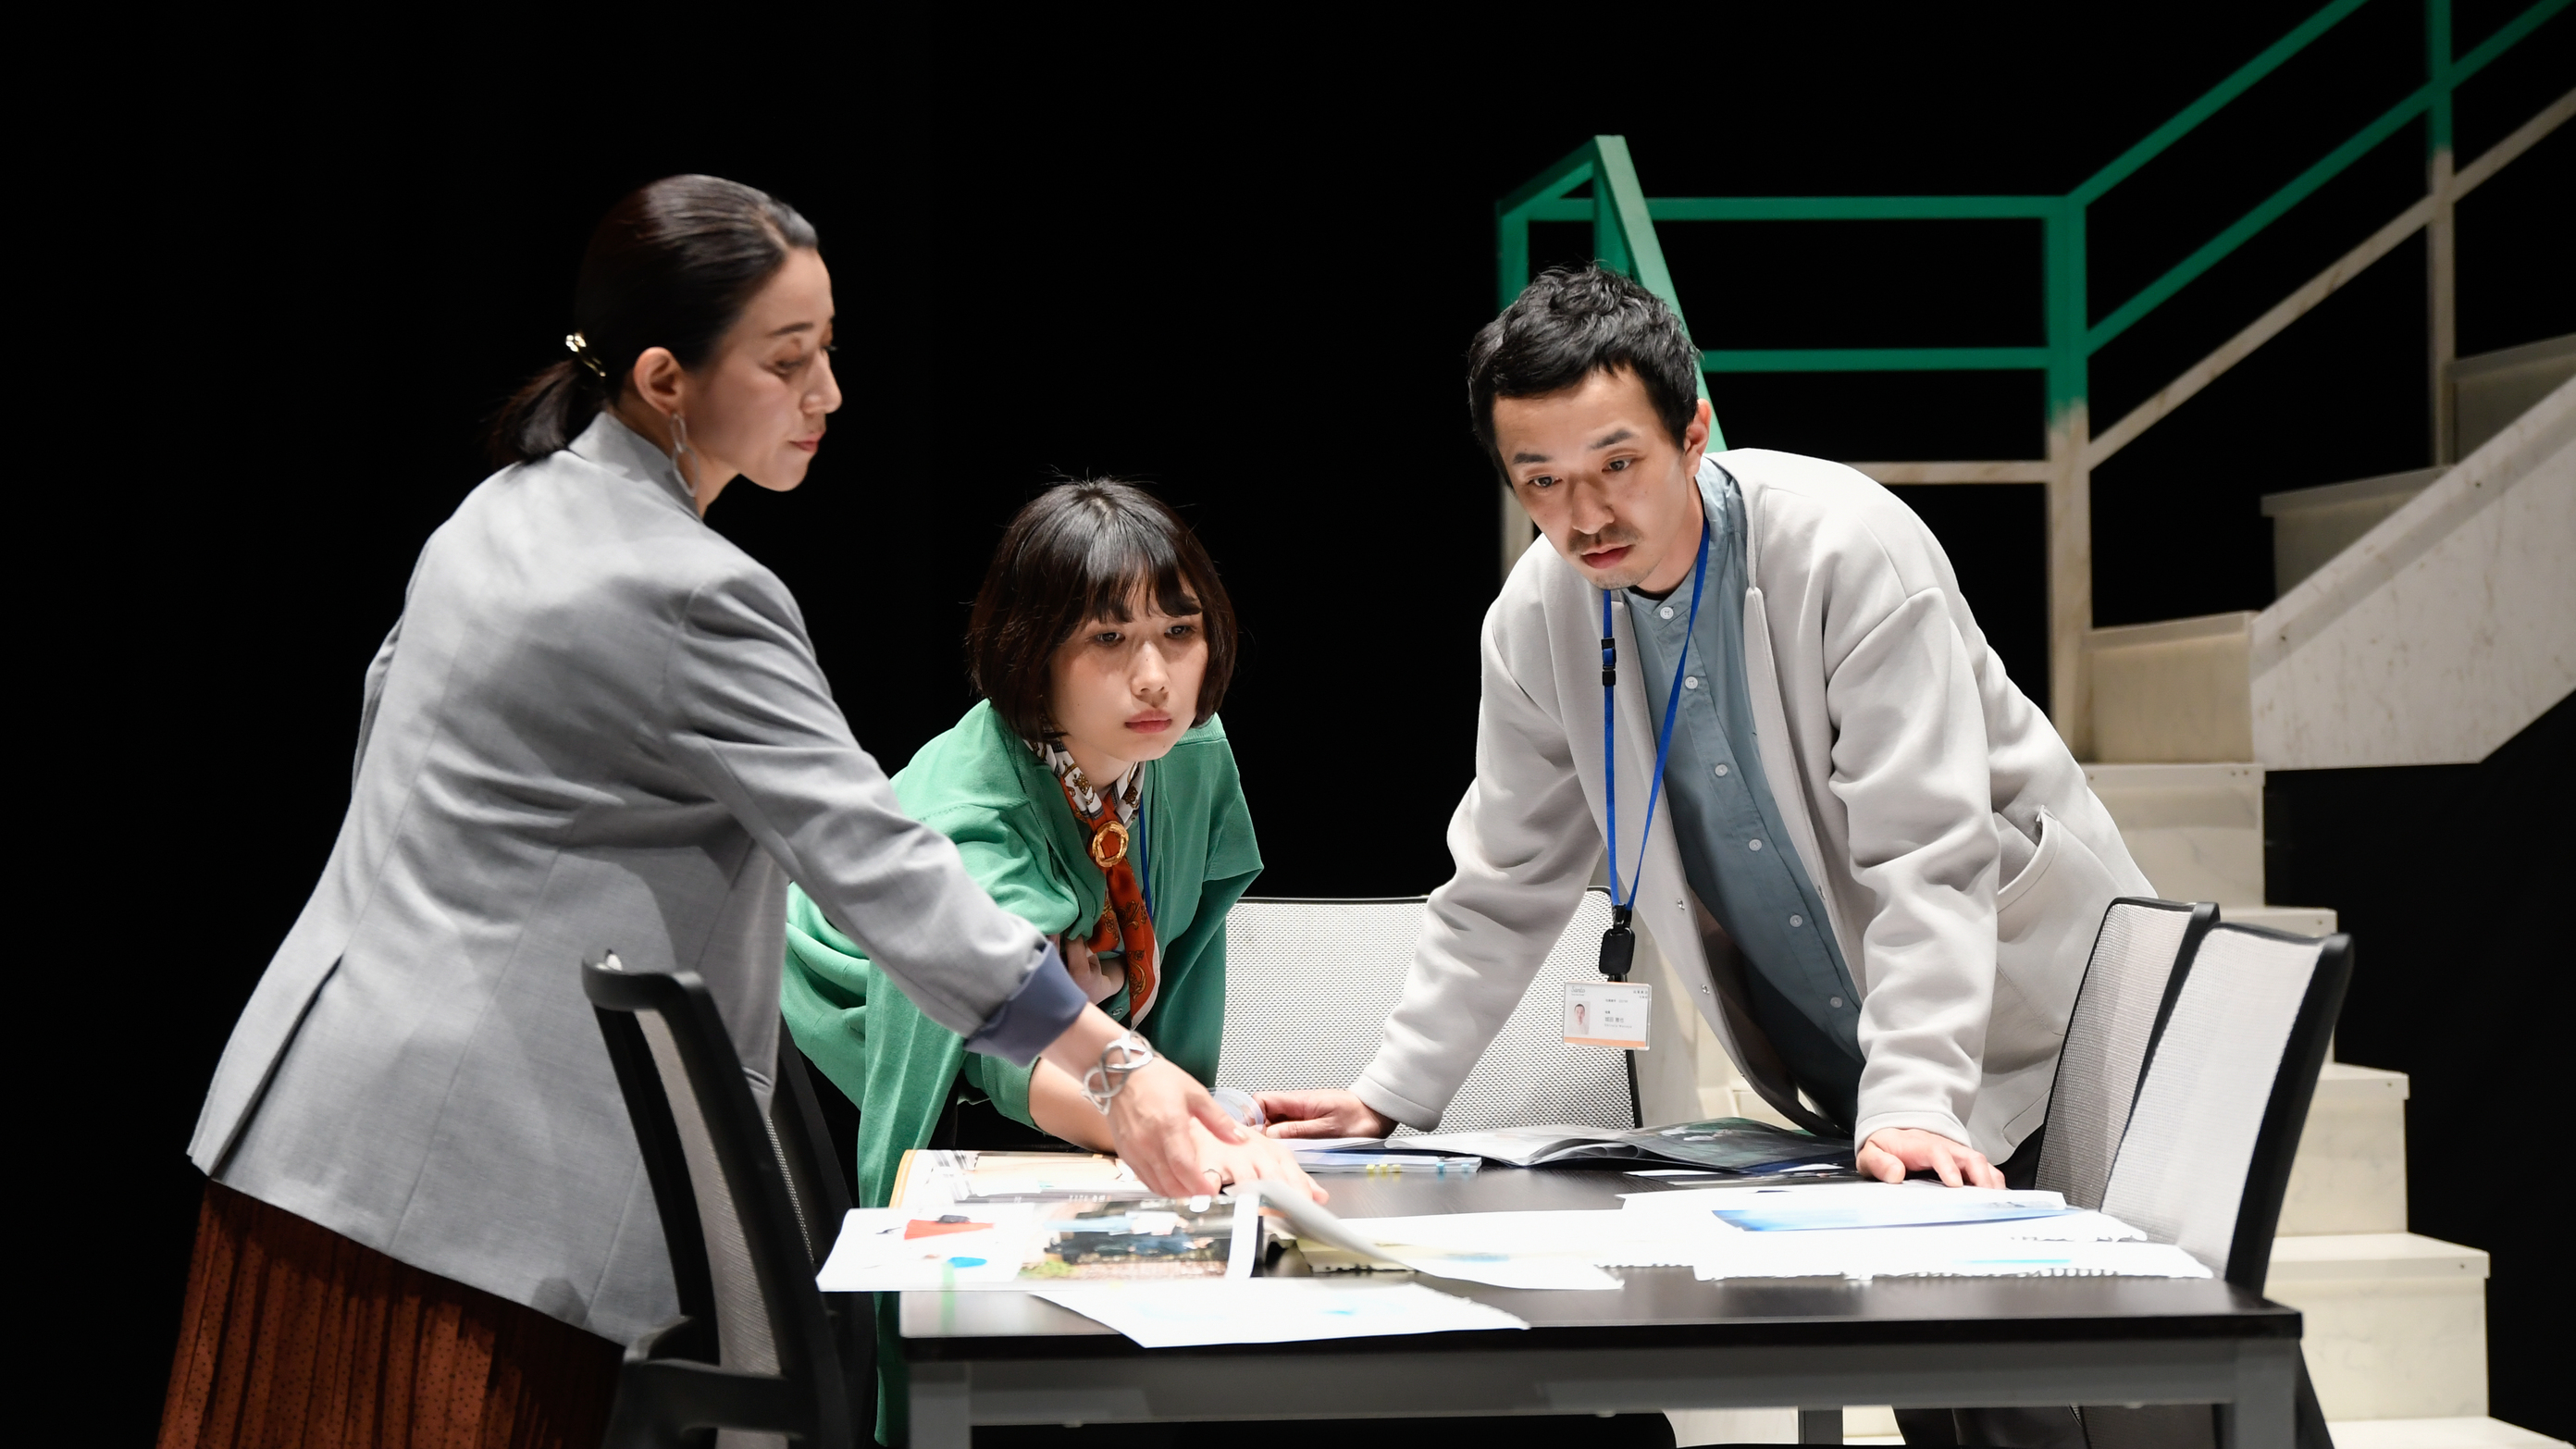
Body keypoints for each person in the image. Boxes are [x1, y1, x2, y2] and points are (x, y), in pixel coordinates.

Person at [160, 175, 1302, 1449]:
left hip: (313, 1117)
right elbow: (873, 859)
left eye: (830, 350)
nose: (829, 394)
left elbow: (384, 730)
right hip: (468, 1191)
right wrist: (1115, 1063)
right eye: (788, 359)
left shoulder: (498, 510)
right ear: (665, 377)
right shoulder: (695, 591)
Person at [1261, 266, 2153, 1199]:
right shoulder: (1536, 619)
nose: (1586, 517)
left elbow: (1927, 849)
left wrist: (1918, 1093)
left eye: (1617, 465)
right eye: (1543, 481)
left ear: (1692, 435)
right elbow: (1504, 883)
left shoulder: (1845, 546)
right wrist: (1389, 1092)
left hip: (2056, 1042)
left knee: (2144, 1289)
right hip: (1867, 1103)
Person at [783, 480, 1306, 1208]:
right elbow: (1000, 1044)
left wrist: (1168, 1087)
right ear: (1032, 648)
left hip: (1074, 1085)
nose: (1155, 679)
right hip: (855, 1065)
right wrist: (1185, 1134)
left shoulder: (1191, 753)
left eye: (1179, 632)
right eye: (1108, 638)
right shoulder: (972, 813)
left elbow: (1188, 943)